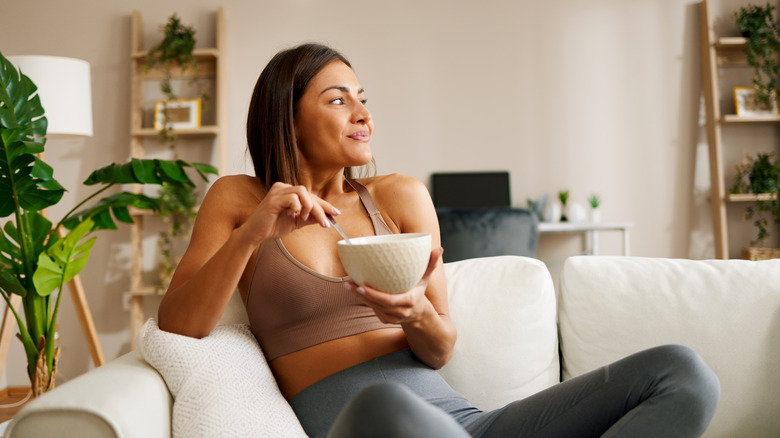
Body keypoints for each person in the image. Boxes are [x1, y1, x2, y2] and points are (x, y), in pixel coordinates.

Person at [157, 43, 720, 438]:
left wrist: (413, 313)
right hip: (370, 424)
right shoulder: (239, 197)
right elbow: (181, 325)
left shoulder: (400, 196)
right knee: (386, 404)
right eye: (337, 99)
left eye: (363, 97)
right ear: (288, 115)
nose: (363, 113)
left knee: (681, 372)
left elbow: (441, 346)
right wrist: (255, 230)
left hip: (465, 424)